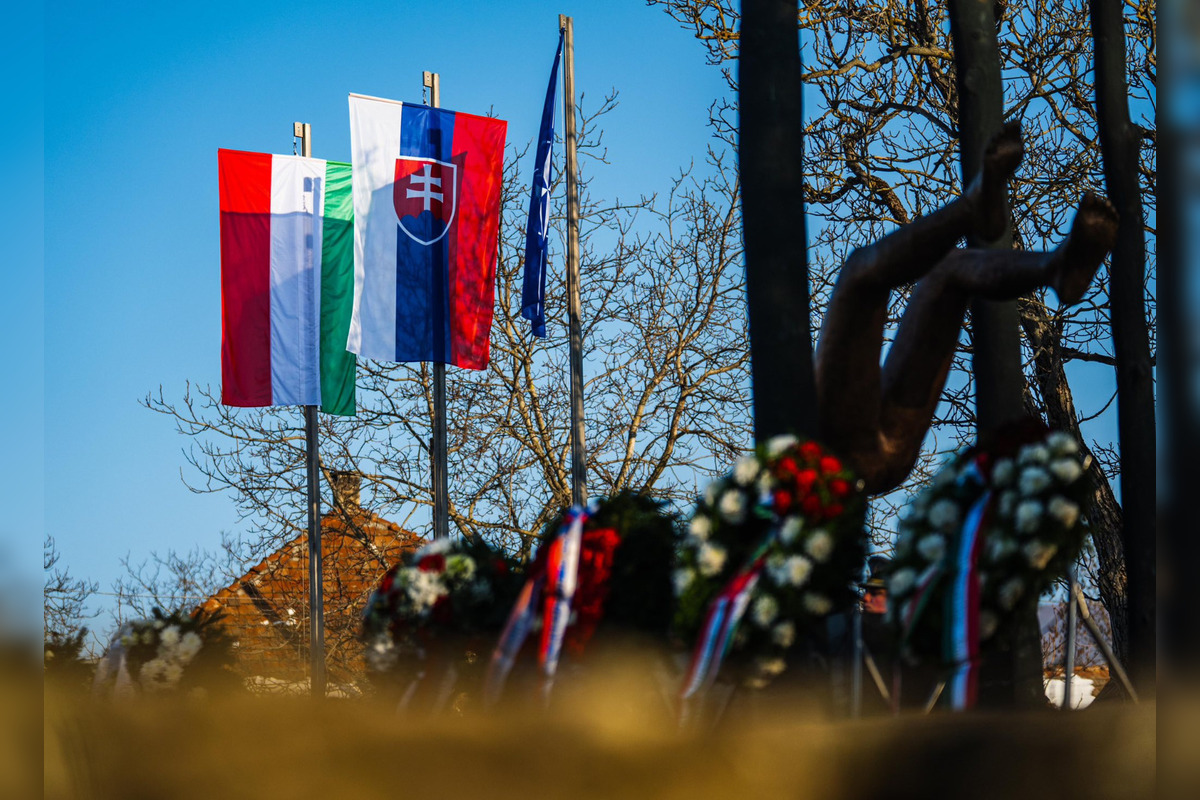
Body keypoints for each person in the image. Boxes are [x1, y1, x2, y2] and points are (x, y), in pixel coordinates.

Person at [814, 122, 1119, 493]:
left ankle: (1056, 267)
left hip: (878, 450)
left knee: (949, 272)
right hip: (841, 457)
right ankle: (972, 211)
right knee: (860, 276)